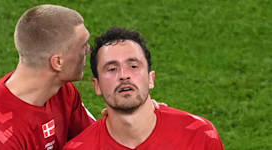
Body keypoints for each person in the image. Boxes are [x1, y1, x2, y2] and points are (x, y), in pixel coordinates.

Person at [63, 27, 225, 150]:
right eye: (112, 69)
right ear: (97, 86)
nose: (124, 75)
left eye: (133, 66)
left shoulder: (198, 135)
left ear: (150, 79)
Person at [0, 4, 95, 150]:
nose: (89, 50)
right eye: (83, 45)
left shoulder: (63, 91)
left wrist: (117, 123)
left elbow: (94, 140)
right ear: (58, 62)